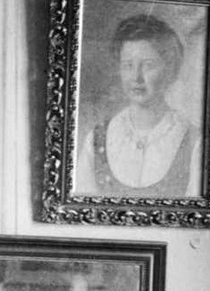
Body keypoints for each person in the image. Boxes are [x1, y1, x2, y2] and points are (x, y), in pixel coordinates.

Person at [75, 15, 200, 197]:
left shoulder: (194, 142)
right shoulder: (97, 140)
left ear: (170, 70)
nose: (136, 77)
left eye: (148, 65)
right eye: (128, 65)